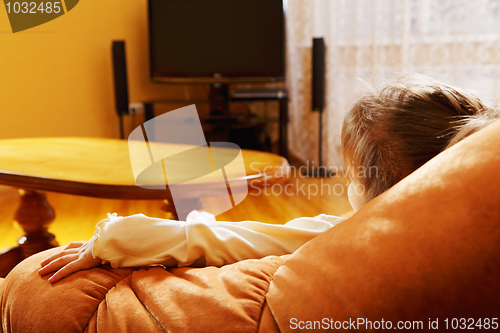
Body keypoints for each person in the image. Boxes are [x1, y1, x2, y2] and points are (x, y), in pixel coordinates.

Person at [38, 74, 494, 283]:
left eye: (352, 174)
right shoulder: (478, 234)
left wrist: (110, 238)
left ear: (366, 184)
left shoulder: (343, 237)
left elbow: (215, 241)